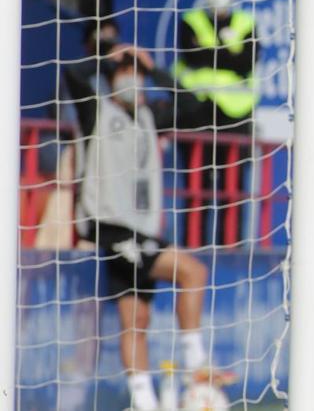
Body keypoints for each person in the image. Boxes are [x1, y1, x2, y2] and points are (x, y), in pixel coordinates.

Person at [63, 45, 232, 411]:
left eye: (136, 75)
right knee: (193, 272)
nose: (131, 80)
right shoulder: (97, 111)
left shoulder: (150, 115)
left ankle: (145, 403)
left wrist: (154, 71)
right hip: (114, 230)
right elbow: (73, 75)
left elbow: (194, 106)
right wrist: (112, 60)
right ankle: (194, 363)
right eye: (125, 74)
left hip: (142, 232)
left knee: (137, 319)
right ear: (110, 81)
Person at [176, 0, 258, 247]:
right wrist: (227, 54)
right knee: (196, 187)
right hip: (196, 114)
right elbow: (190, 56)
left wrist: (209, 52)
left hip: (234, 116)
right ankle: (192, 245)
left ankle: (231, 247)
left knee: (231, 188)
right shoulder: (191, 21)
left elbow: (245, 63)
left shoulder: (247, 23)